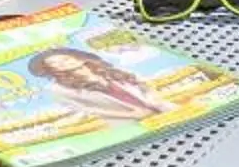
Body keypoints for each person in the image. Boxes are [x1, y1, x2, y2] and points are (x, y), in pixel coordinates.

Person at [27, 47, 163, 118]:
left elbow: (143, 83)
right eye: (54, 64)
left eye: (65, 58)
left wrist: (152, 98)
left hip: (158, 108)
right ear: (52, 70)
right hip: (128, 120)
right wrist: (131, 114)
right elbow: (83, 110)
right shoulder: (58, 89)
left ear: (79, 58)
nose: (62, 63)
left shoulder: (109, 70)